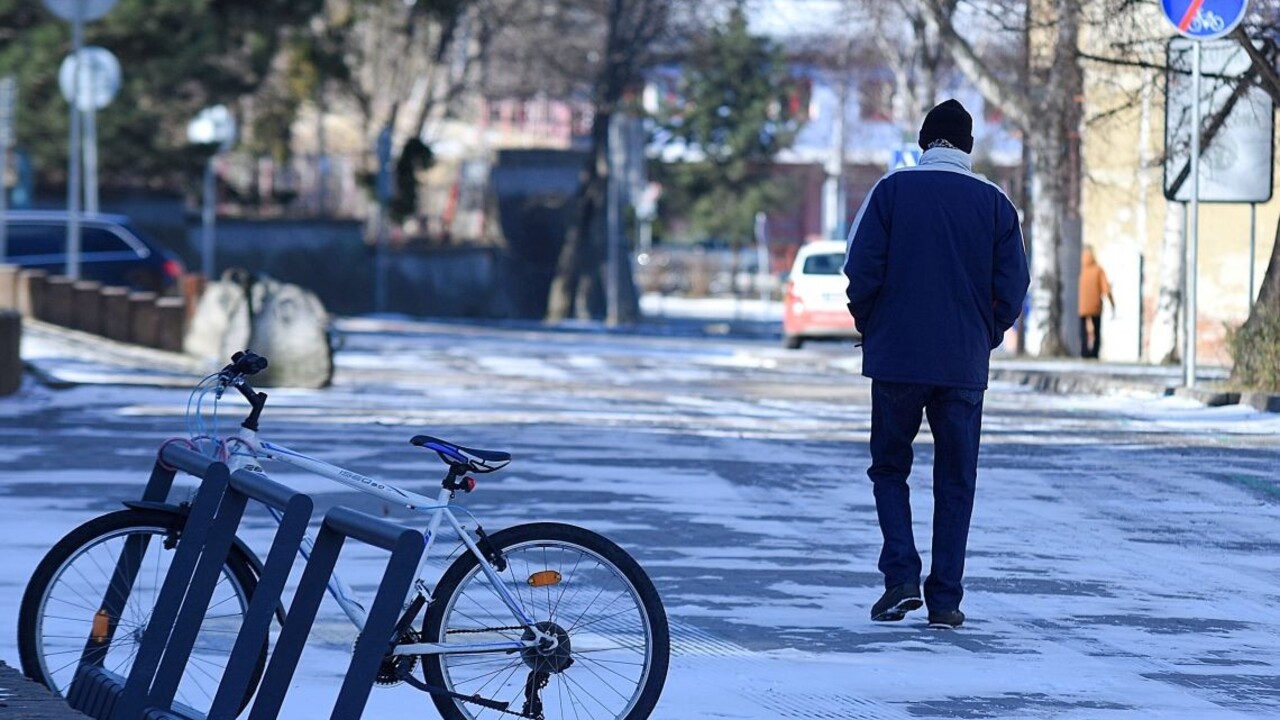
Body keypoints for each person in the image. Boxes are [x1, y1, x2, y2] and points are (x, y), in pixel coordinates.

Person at [843, 99, 1030, 628]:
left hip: (896, 359)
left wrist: (873, 327)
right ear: (968, 147)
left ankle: (901, 577)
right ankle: (945, 599)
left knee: (889, 468)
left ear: (925, 142)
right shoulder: (996, 204)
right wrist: (984, 335)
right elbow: (1013, 285)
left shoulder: (890, 191)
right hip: (962, 364)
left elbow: (859, 270)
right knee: (955, 479)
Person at [1079, 246, 1115, 359]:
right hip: (1095, 305)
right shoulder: (1098, 270)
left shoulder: (1080, 270)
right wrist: (1112, 303)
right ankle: (1094, 352)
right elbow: (1106, 289)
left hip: (1082, 306)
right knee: (1096, 330)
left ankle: (1084, 352)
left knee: (1083, 331)